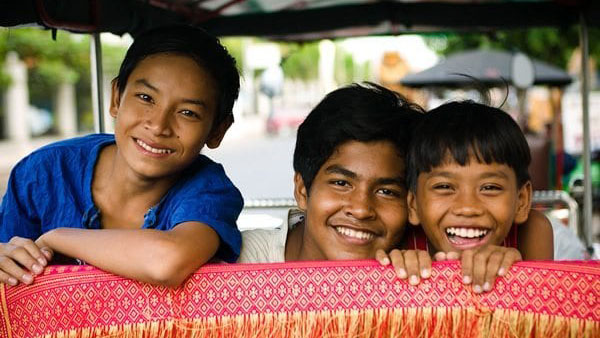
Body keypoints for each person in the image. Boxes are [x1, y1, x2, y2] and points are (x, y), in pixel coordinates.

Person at [0, 25, 243, 288]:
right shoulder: (42, 173)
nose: (159, 126)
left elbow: (167, 261)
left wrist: (56, 237)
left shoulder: (209, 190)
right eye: (145, 97)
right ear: (116, 97)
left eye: (187, 113)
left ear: (218, 130)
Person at [404, 101, 554, 293]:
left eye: (490, 187)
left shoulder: (532, 231)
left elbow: (541, 308)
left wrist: (517, 273)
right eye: (444, 187)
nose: (468, 207)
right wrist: (399, 271)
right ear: (413, 205)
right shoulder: (405, 241)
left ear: (522, 201)